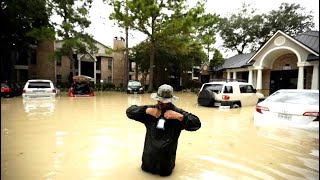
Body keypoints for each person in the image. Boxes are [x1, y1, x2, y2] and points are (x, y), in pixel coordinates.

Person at [126, 84, 201, 176]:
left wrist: (180, 117)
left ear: (170, 101)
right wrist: (146, 110)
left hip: (165, 166)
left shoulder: (178, 114)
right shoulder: (150, 111)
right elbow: (129, 111)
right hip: (147, 163)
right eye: (159, 100)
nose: (161, 103)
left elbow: (196, 124)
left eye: (164, 101)